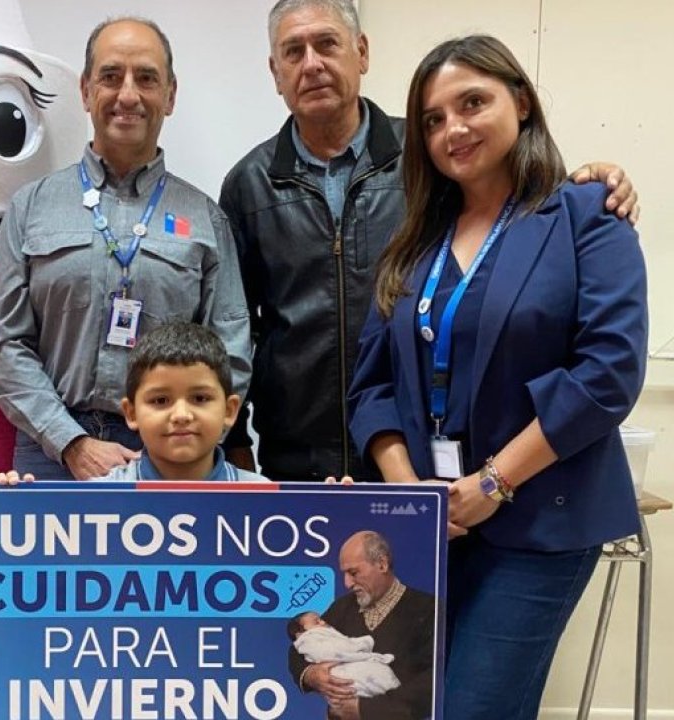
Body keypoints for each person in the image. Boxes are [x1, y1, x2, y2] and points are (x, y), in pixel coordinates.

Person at [348, 35, 648, 720]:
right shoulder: (413, 245)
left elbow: (609, 373)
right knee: (413, 707)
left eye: (472, 103)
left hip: (541, 521)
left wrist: (494, 483)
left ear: (521, 102)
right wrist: (408, 493)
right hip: (435, 529)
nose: (452, 129)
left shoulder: (586, 215)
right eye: (433, 119)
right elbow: (371, 385)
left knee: (473, 707)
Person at [219, 0, 640, 482]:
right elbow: (237, 329)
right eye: (293, 51)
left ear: (362, 52)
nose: (311, 64)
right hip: (301, 456)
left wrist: (593, 180)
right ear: (275, 72)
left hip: (424, 452)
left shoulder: (428, 161)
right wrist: (234, 443)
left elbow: (518, 210)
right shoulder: (248, 185)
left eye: (327, 44)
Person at [0, 16, 251, 481]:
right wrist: (70, 442)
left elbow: (231, 351)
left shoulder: (207, 219)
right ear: (86, 91)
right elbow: (2, 341)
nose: (128, 95)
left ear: (170, 95)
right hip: (49, 451)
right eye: (111, 76)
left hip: (168, 453)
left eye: (146, 78)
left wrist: (169, 444)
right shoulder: (30, 207)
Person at [0, 322, 266, 484]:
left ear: (230, 410)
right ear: (131, 413)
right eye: (161, 400)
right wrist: (12, 507)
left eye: (200, 398)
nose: (181, 414)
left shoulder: (264, 499)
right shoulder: (92, 498)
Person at [289, 531, 435, 720]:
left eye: (353, 573)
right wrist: (311, 675)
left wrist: (365, 710)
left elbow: (433, 681)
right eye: (344, 574)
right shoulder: (342, 608)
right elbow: (301, 643)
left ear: (382, 564)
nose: (347, 583)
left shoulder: (429, 610)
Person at [287, 611, 400, 698]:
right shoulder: (309, 640)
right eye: (316, 622)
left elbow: (345, 644)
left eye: (320, 619)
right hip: (348, 681)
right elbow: (331, 651)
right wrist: (360, 645)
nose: (323, 622)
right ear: (300, 634)